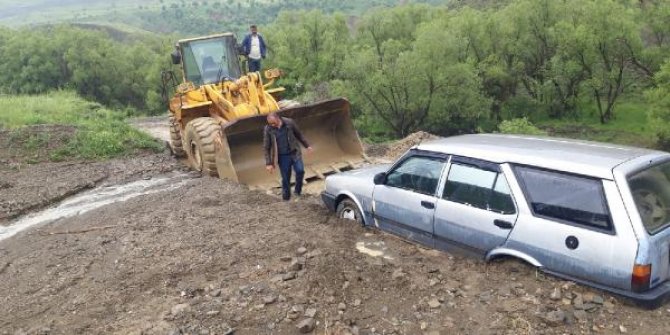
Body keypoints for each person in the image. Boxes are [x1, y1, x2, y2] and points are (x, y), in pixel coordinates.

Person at [263, 113, 313, 201]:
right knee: (285, 178)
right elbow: (266, 147)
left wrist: (307, 146)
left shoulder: (289, 122)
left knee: (300, 171)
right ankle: (286, 198)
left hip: (294, 152)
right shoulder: (268, 129)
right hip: (282, 157)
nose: (272, 125)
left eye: (274, 123)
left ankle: (297, 192)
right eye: (270, 124)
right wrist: (268, 163)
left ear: (278, 118)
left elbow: (299, 134)